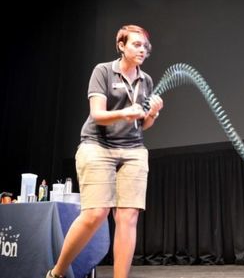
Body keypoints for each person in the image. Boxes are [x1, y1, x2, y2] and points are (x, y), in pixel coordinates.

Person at [46, 24, 163, 278]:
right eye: (136, 44)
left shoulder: (147, 80)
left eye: (145, 46)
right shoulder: (103, 71)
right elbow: (97, 115)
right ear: (121, 46)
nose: (142, 49)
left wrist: (152, 113)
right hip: (97, 145)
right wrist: (124, 112)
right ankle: (57, 273)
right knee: (96, 213)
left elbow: (143, 124)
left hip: (132, 149)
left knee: (128, 216)